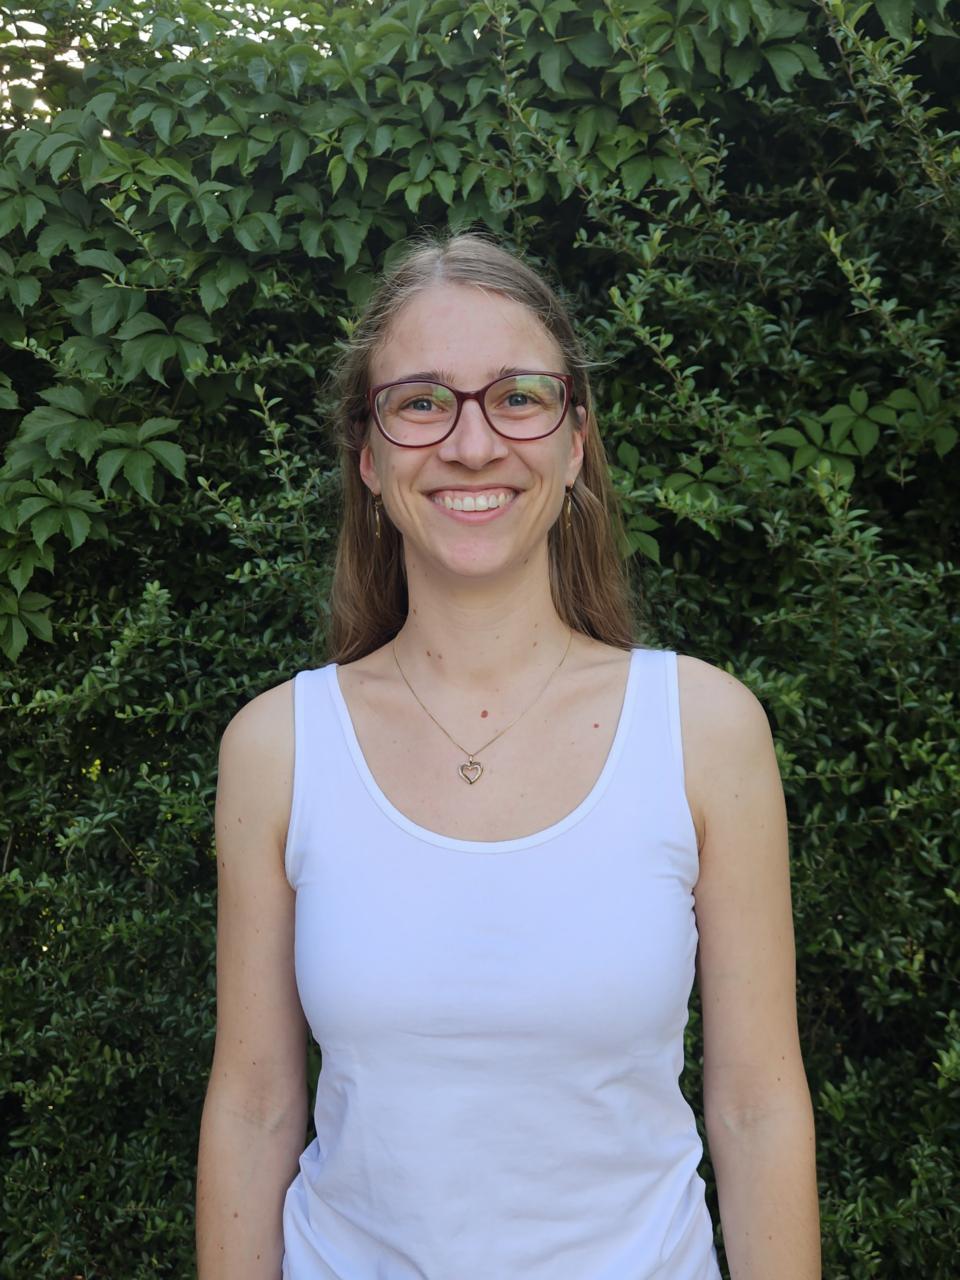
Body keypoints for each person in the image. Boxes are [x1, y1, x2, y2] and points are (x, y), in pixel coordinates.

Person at [196, 233, 821, 1280]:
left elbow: (757, 1105)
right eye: (421, 402)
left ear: (575, 443)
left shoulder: (705, 730)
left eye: (519, 397)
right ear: (369, 457)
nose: (474, 444)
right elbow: (254, 1105)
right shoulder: (278, 747)